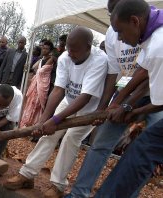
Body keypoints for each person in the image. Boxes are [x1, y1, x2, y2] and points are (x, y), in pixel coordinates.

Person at [66, 0, 163, 197]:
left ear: (134, 20)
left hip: (155, 98)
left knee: (143, 152)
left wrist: (129, 108)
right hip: (139, 94)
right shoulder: (151, 27)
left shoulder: (158, 46)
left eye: (120, 31)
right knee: (105, 144)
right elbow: (140, 73)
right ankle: (79, 194)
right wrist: (117, 102)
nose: (119, 37)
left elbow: (156, 95)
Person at [4, 27, 108, 198]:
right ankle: (27, 174)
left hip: (89, 109)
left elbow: (85, 97)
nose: (71, 54)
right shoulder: (65, 58)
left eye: (75, 50)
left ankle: (58, 185)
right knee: (47, 134)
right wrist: (44, 120)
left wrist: (57, 119)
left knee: (70, 140)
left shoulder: (99, 60)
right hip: (68, 101)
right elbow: (58, 90)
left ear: (88, 47)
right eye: (68, 49)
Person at [20, 40, 55, 128]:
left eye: (46, 49)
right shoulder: (42, 59)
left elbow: (41, 71)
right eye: (43, 48)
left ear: (50, 50)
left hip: (42, 84)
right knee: (30, 102)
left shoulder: (51, 59)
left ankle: (34, 125)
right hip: (36, 83)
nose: (44, 50)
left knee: (37, 104)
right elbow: (33, 68)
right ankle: (26, 123)